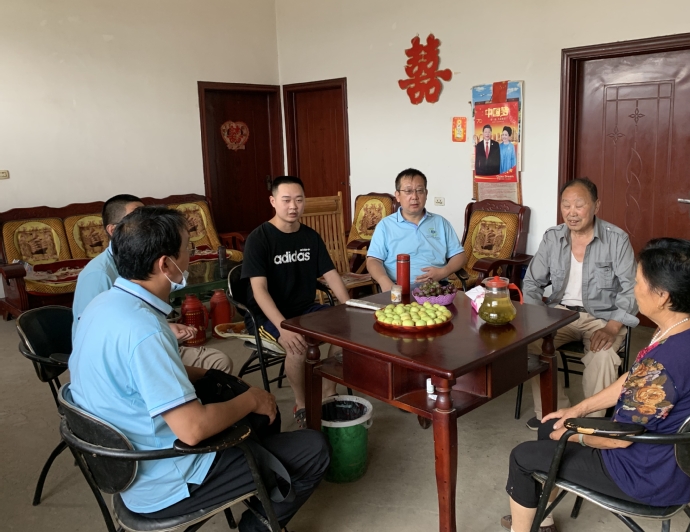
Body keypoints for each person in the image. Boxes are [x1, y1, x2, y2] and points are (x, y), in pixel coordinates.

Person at [69, 206, 329, 532]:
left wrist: (208, 375)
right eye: (187, 249)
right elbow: (192, 429)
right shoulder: (144, 330)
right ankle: (257, 522)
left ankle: (259, 482)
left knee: (255, 411)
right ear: (165, 264)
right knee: (313, 449)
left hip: (124, 459)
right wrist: (252, 399)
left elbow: (134, 376)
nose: (190, 257)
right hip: (164, 479)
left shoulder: (104, 304)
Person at [501, 238, 690, 532]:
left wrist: (573, 436)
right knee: (550, 426)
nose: (633, 288)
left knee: (522, 457)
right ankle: (541, 520)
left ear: (662, 296)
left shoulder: (663, 366)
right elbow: (633, 378)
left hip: (642, 475)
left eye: (638, 281)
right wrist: (576, 411)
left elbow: (619, 440)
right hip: (668, 458)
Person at [72, 194, 233, 374]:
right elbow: (100, 338)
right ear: (114, 230)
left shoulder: (129, 280)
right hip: (118, 361)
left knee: (217, 366)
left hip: (135, 349)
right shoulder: (98, 275)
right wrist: (157, 332)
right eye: (137, 217)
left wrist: (165, 328)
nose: (147, 223)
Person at [523, 178, 638, 428]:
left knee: (603, 356)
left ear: (596, 206)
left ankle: (591, 424)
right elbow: (532, 282)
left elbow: (632, 289)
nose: (571, 212)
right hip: (560, 315)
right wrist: (537, 320)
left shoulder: (616, 239)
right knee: (532, 346)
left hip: (603, 317)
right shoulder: (553, 238)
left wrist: (612, 327)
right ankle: (552, 414)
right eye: (566, 205)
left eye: (579, 205)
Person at [242, 176, 351, 428]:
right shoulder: (259, 239)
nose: (293, 206)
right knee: (298, 346)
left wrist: (350, 308)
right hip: (267, 315)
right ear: (273, 201)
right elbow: (259, 291)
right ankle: (302, 404)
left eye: (299, 200)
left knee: (346, 333)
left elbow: (331, 275)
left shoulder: (310, 237)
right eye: (286, 200)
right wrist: (283, 327)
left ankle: (327, 393)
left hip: (305, 309)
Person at [366, 168, 466, 291]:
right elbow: (373, 260)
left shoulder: (440, 222)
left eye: (419, 191)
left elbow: (459, 256)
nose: (414, 197)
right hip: (398, 287)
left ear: (426, 194)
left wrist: (443, 272)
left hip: (436, 288)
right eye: (408, 191)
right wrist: (385, 282)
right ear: (398, 196)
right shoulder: (385, 225)